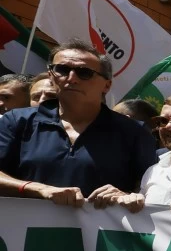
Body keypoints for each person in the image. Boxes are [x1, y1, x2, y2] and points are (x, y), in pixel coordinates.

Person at [0, 39, 157, 205]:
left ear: (107, 85)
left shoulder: (134, 132)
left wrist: (126, 195)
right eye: (62, 69)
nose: (72, 78)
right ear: (51, 76)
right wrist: (38, 189)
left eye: (84, 73)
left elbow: (150, 190)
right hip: (24, 229)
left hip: (99, 230)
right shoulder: (17, 121)